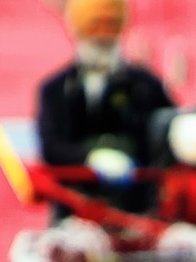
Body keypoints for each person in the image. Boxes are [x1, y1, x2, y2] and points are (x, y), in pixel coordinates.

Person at [36, 0, 173, 216]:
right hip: (75, 212)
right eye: (96, 41)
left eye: (108, 41)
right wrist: (90, 159)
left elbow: (169, 135)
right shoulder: (55, 90)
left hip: (139, 212)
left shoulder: (146, 86)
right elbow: (51, 147)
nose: (102, 43)